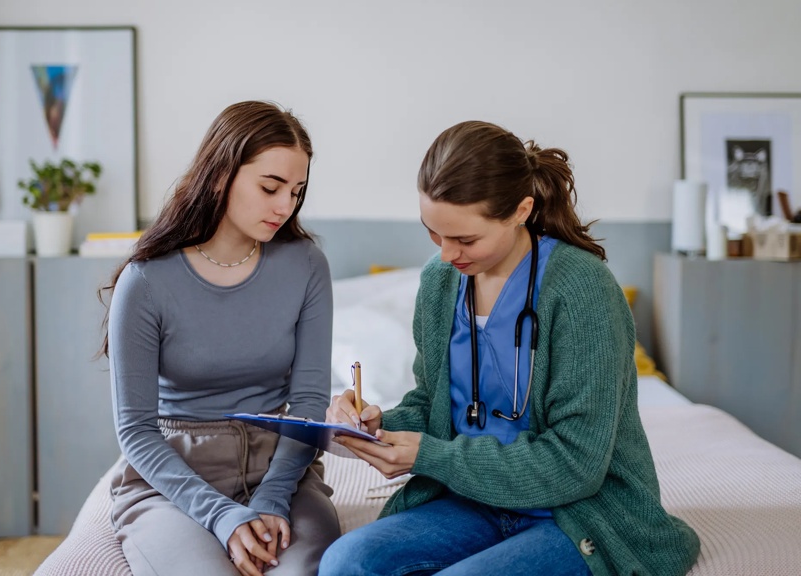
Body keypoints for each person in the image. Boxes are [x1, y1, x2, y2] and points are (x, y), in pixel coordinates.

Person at [320, 121, 700, 576]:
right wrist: (375, 425)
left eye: (465, 240)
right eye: (434, 234)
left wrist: (428, 456)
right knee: (345, 562)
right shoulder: (440, 282)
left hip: (572, 510)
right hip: (471, 498)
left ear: (521, 211)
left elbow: (577, 464)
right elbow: (432, 407)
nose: (447, 254)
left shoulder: (582, 289)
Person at [99, 101, 340, 576]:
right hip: (175, 481)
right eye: (270, 187)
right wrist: (222, 516)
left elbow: (310, 401)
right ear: (219, 175)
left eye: (296, 192)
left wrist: (274, 494)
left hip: (280, 471)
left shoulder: (307, 265)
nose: (285, 206)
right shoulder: (145, 281)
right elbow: (136, 430)